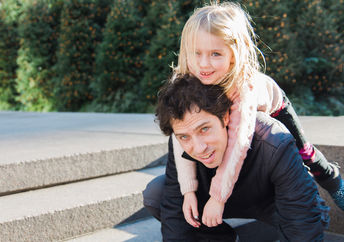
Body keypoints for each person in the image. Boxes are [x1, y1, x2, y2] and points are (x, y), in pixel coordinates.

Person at [169, 2, 343, 228]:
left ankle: (331, 179)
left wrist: (217, 198)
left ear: (233, 55)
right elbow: (179, 133)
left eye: (215, 54)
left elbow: (237, 145)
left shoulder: (243, 88)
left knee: (305, 153)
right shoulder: (187, 80)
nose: (204, 64)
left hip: (276, 107)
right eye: (197, 53)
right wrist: (189, 189)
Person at [144, 74, 329, 241]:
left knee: (314, 215)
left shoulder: (272, 139)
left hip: (272, 199)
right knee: (156, 194)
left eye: (205, 129)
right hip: (215, 199)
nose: (199, 148)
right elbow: (173, 210)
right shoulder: (182, 135)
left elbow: (302, 221)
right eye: (184, 137)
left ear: (225, 117)